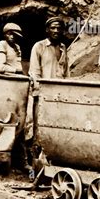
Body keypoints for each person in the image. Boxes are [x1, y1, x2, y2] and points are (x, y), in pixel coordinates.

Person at [26, 17, 69, 176]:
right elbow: (34, 72)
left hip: (59, 98)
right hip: (43, 97)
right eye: (53, 28)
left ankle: (53, 168)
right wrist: (40, 93)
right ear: (47, 30)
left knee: (56, 131)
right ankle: (35, 171)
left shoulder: (64, 48)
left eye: (59, 28)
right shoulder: (39, 47)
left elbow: (66, 74)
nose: (56, 31)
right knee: (39, 132)